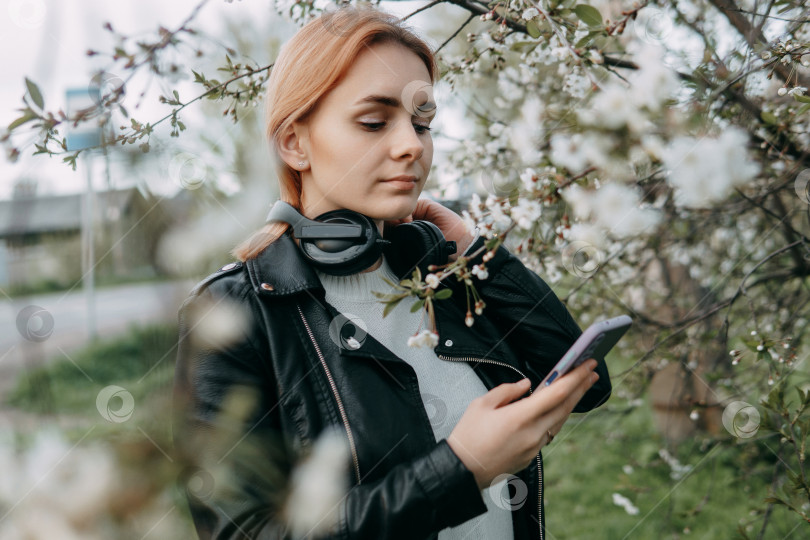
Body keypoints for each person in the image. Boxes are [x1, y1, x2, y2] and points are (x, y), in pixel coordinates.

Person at [172, 5, 611, 540]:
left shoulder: (440, 273)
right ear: (294, 142)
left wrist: (477, 256)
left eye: (422, 122)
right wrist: (461, 468)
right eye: (375, 122)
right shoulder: (235, 314)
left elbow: (584, 386)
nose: (412, 145)